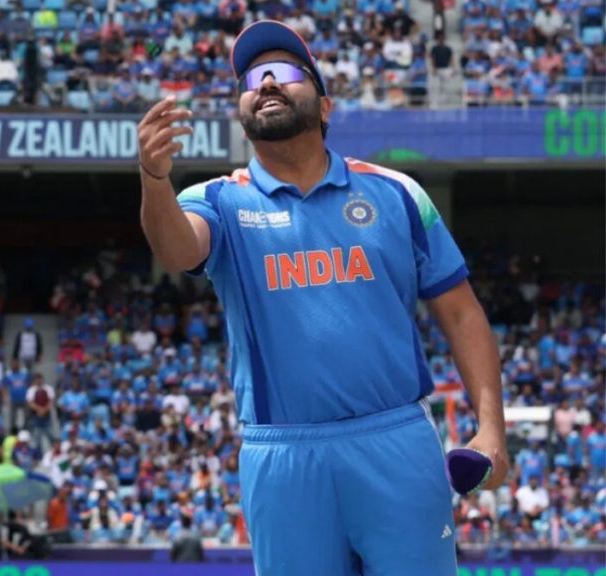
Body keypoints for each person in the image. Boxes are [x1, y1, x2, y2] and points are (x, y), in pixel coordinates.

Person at [137, 20, 507, 576]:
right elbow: (176, 250)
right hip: (283, 456)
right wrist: (153, 177)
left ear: (326, 106)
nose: (266, 83)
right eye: (252, 78)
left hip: (396, 441)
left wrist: (492, 428)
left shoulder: (398, 194)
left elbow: (461, 313)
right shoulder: (216, 200)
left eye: (284, 72)